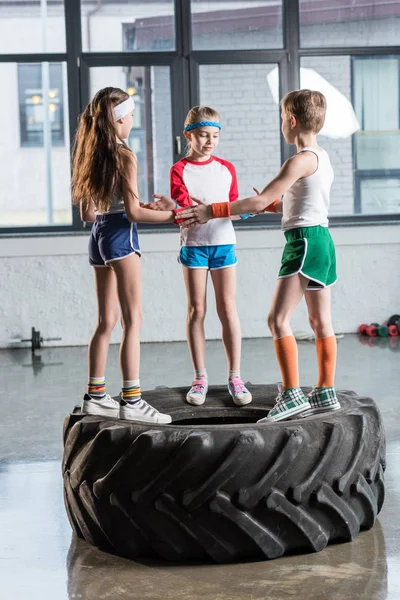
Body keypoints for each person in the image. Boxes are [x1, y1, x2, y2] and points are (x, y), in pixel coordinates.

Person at [177, 90, 341, 422]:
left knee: (277, 320)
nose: (283, 124)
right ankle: (325, 391)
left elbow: (255, 201)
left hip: (304, 242)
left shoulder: (298, 160)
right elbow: (293, 202)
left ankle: (292, 393)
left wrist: (211, 210)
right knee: (320, 321)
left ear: (291, 121)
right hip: (322, 240)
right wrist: (272, 205)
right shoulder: (321, 156)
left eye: (283, 118)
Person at [72, 86, 176, 424]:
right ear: (119, 119)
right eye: (130, 114)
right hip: (120, 236)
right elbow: (132, 214)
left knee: (106, 321)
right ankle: (132, 401)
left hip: (98, 234)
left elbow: (90, 214)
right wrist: (175, 216)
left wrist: (138, 205)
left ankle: (96, 396)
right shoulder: (125, 155)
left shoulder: (92, 153)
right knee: (134, 319)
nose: (132, 120)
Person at [168, 105, 252, 407]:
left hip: (224, 244)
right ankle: (200, 377)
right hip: (193, 246)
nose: (209, 141)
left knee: (228, 309)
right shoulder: (179, 170)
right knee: (196, 310)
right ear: (189, 135)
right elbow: (184, 209)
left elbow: (233, 207)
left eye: (215, 136)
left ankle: (235, 376)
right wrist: (184, 210)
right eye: (203, 135)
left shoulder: (226, 168)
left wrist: (249, 209)